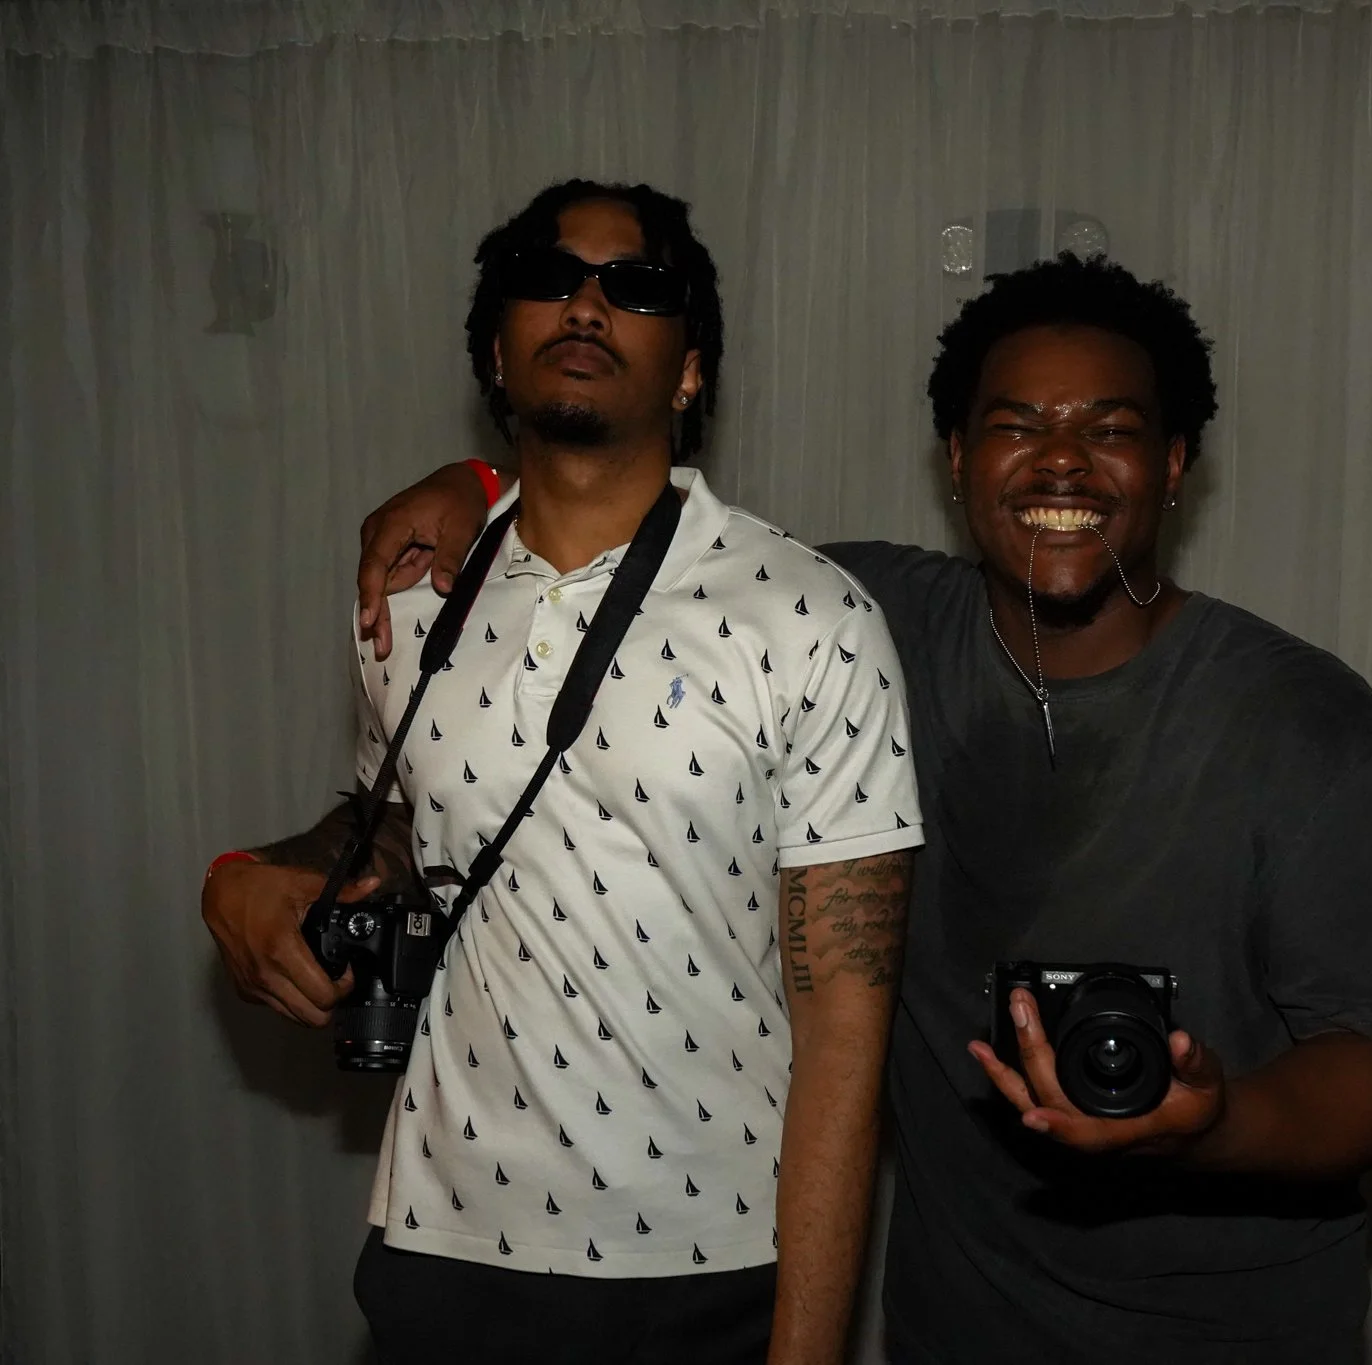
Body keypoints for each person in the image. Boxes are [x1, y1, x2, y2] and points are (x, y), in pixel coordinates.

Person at [352, 252, 1372, 1362]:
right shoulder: (858, 628)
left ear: (1174, 464)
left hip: (1231, 1335)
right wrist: (481, 485)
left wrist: (1213, 1127)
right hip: (949, 1330)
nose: (1062, 460)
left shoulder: (1307, 727)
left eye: (1112, 429)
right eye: (1018, 424)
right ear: (957, 458)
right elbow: (642, 545)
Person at [202, 180, 924, 1365]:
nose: (585, 303)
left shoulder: (808, 618)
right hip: (439, 1244)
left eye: (634, 286)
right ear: (497, 350)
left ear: (689, 370)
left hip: (709, 1264)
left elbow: (847, 1032)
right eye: (547, 278)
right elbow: (403, 828)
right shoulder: (410, 597)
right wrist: (242, 875)